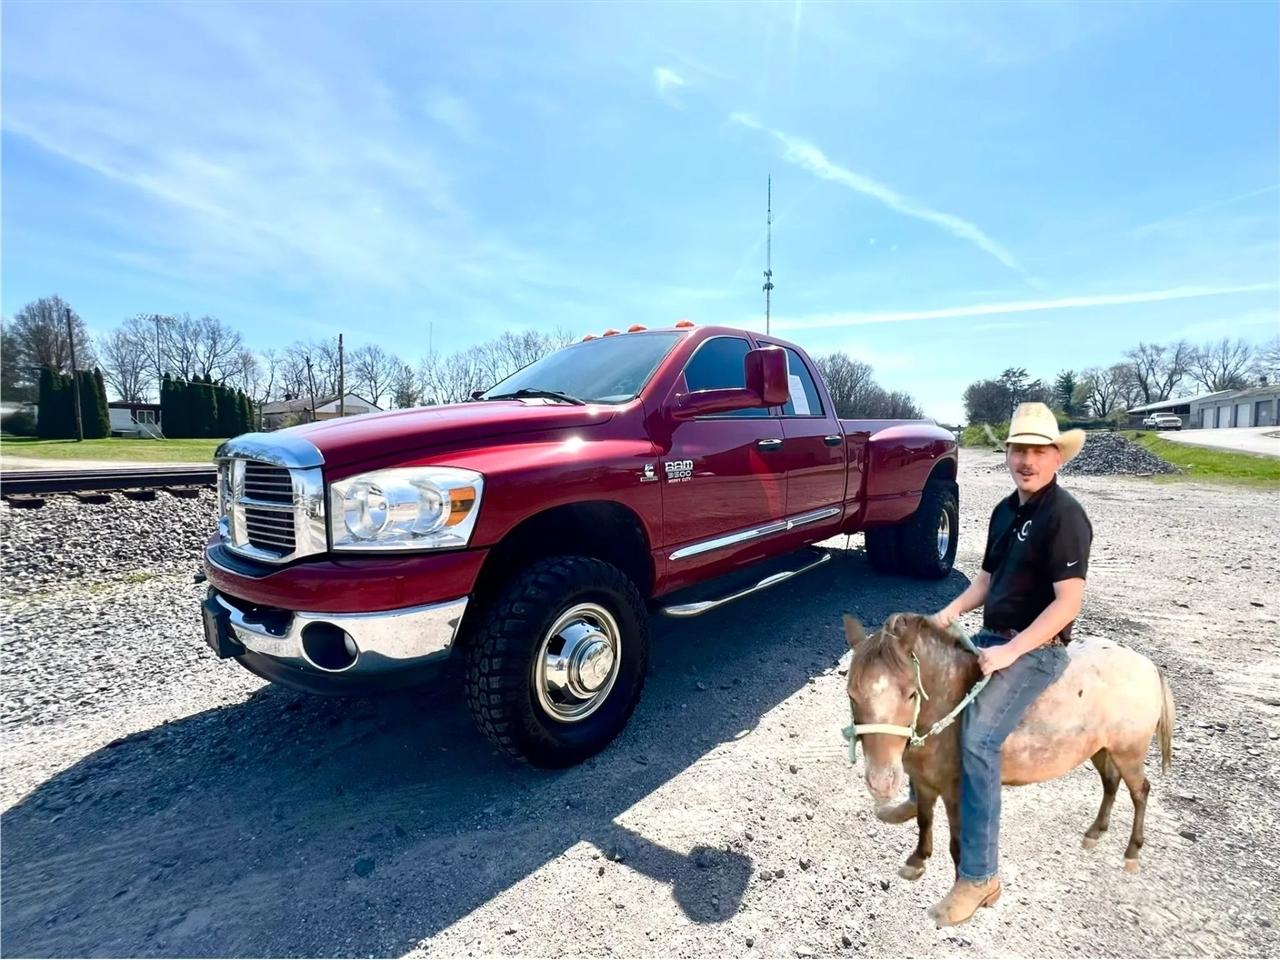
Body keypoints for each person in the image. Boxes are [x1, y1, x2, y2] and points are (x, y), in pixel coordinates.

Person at [885, 402, 1093, 927]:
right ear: (1008, 455)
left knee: (977, 740)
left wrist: (1012, 650)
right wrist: (945, 616)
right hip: (991, 635)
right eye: (1018, 450)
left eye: (1038, 451)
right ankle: (919, 793)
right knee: (921, 688)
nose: (1027, 460)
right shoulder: (1006, 511)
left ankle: (979, 878)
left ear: (1056, 458)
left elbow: (1068, 604)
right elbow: (985, 582)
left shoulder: (1065, 516)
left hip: (1036, 649)